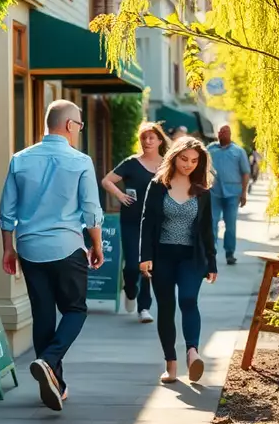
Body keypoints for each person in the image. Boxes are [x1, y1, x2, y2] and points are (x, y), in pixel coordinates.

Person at [0, 100, 104, 412]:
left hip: (30, 248)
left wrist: (8, 248)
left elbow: (7, 212)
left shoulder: (20, 159)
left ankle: (56, 382)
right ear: (70, 125)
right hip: (66, 247)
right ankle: (48, 360)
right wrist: (96, 245)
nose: (80, 130)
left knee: (43, 314)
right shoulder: (81, 161)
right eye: (80, 125)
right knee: (75, 310)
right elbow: (91, 211)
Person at [139, 135, 217, 384]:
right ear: (174, 157)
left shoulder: (202, 190)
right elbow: (147, 223)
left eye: (194, 161)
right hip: (162, 256)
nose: (188, 164)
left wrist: (212, 262)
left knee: (188, 300)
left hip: (191, 258)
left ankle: (192, 353)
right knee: (166, 308)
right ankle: (170, 364)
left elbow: (206, 229)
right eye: (184, 159)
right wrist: (145, 257)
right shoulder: (158, 185)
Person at [101, 121, 169, 323]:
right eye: (144, 138)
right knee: (132, 266)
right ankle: (130, 289)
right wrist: (120, 196)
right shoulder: (131, 163)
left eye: (151, 138)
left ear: (159, 140)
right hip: (131, 221)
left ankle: (144, 308)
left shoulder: (167, 165)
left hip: (156, 223)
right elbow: (107, 181)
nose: (147, 141)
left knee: (147, 265)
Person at [207, 124, 251, 266]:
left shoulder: (238, 151)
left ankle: (230, 253)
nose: (223, 134)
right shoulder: (210, 149)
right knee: (212, 223)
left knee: (230, 224)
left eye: (226, 132)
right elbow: (202, 168)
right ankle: (210, 253)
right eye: (221, 132)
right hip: (214, 192)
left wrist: (244, 193)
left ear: (230, 134)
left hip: (233, 193)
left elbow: (245, 173)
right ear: (217, 134)